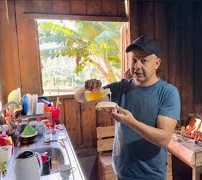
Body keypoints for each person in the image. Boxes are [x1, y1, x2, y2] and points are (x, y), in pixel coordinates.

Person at [74, 35, 180, 180]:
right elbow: (80, 97)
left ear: (157, 63)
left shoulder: (168, 92)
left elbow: (163, 139)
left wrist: (131, 122)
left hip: (152, 175)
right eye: (134, 60)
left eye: (143, 61)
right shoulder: (121, 88)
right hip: (122, 173)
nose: (137, 66)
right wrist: (88, 86)